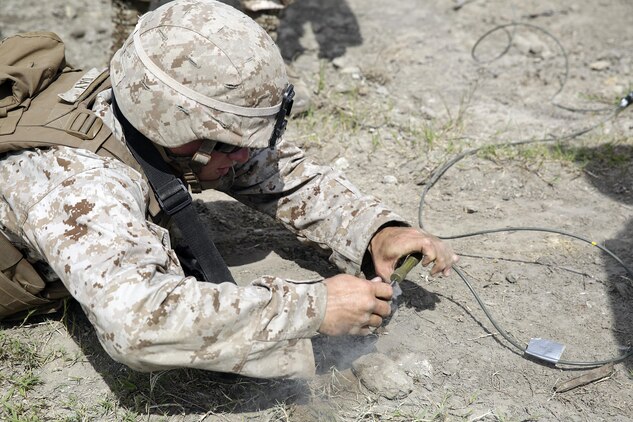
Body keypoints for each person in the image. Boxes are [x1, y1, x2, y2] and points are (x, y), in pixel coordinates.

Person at [0, 0, 457, 378]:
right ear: (180, 131)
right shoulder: (82, 186)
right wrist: (313, 306)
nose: (245, 157)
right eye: (234, 144)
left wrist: (379, 231)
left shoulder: (149, 112)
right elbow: (137, 324)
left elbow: (275, 172)